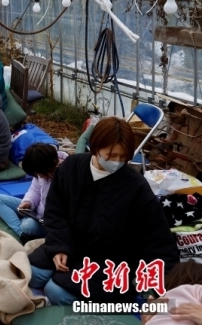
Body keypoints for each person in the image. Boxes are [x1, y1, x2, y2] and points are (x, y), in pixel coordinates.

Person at [28, 117, 179, 306]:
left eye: (123, 157)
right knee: (31, 272)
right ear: (95, 146)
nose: (117, 162)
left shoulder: (136, 187)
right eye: (111, 155)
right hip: (72, 246)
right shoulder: (71, 167)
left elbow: (157, 241)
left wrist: (165, 291)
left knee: (55, 290)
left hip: (107, 262)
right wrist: (59, 246)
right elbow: (56, 212)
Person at [0, 143, 60, 243]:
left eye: (40, 173)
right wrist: (28, 202)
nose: (39, 176)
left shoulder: (65, 176)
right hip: (37, 212)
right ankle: (21, 233)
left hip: (51, 223)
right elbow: (35, 190)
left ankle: (24, 227)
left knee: (28, 225)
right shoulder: (40, 172)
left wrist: (43, 220)